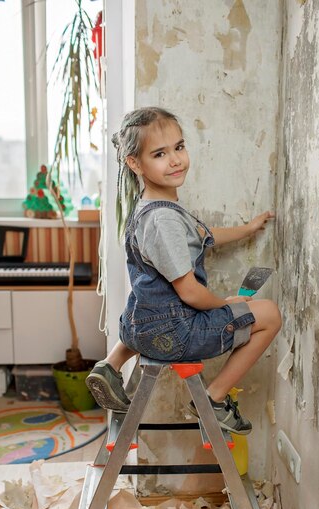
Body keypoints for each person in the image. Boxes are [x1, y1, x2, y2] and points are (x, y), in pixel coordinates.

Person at [86, 106, 281, 435]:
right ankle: (214, 400)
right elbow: (190, 292)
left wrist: (247, 229)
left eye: (179, 147)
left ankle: (111, 364)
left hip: (136, 327)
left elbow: (203, 237)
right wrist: (229, 303)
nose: (175, 160)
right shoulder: (164, 220)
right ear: (135, 163)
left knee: (150, 307)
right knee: (270, 314)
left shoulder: (151, 207)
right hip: (174, 333)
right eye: (160, 154)